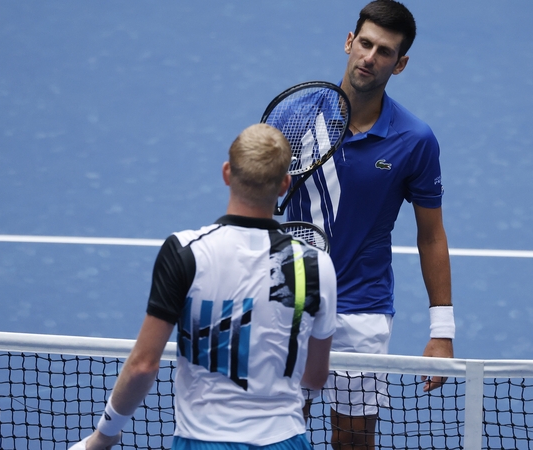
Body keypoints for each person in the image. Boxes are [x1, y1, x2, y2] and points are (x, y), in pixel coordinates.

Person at [71, 123, 337, 450]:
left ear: (227, 173)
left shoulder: (184, 252)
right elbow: (314, 377)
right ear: (285, 184)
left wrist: (104, 436)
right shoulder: (315, 265)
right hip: (285, 441)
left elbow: (142, 366)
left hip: (201, 442)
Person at [284, 1, 454, 449]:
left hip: (362, 308)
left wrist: (442, 332)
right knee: (278, 431)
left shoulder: (414, 139)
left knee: (354, 439)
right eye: (364, 44)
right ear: (348, 41)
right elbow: (255, 203)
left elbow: (431, 234)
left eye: (384, 52)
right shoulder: (297, 116)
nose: (369, 58)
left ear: (400, 65)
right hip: (292, 297)